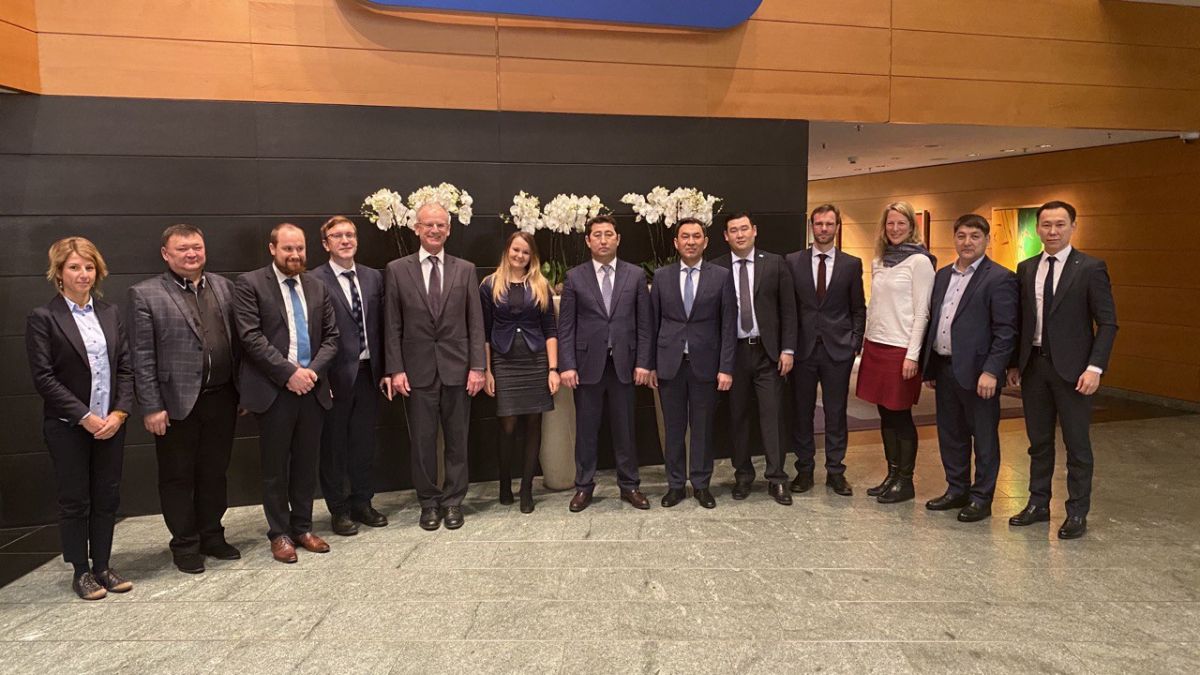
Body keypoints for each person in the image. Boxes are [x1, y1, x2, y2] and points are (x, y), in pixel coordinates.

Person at [128, 224, 240, 574]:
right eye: (183, 248)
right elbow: (142, 356)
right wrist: (151, 406)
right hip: (175, 404)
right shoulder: (145, 294)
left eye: (197, 247)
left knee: (214, 473)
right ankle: (185, 544)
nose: (192, 254)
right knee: (177, 477)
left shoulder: (224, 286)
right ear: (166, 254)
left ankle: (212, 535)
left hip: (222, 397)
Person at [26, 237, 134, 600]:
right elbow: (44, 378)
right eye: (74, 267)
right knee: (75, 500)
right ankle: (81, 571)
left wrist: (119, 413)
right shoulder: (44, 318)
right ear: (59, 273)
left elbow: (125, 368)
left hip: (111, 424)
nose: (83, 274)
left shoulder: (110, 313)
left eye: (89, 267)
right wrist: (84, 416)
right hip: (68, 427)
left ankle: (102, 565)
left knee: (107, 497)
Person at [1007, 201, 1117, 539]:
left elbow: (1108, 323)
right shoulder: (1026, 268)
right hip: (1034, 367)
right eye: (1046, 225)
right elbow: (1020, 320)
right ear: (1037, 228)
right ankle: (1038, 504)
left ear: (1072, 227)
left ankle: (1077, 512)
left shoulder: (1090, 268)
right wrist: (1014, 363)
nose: (1052, 231)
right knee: (1039, 443)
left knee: (1077, 445)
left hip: (1074, 372)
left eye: (1059, 224)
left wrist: (1095, 367)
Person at [234, 223, 339, 563]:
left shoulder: (317, 286)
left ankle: (302, 527)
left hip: (312, 388)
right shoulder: (250, 284)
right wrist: (289, 374)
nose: (295, 254)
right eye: (288, 248)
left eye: (300, 248)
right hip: (274, 391)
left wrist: (310, 373)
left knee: (307, 464)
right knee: (276, 467)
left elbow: (332, 338)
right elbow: (250, 337)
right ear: (272, 249)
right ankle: (279, 533)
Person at [384, 203, 486, 531]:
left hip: (458, 370)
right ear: (416, 228)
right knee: (422, 442)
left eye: (441, 225)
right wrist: (395, 369)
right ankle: (428, 502)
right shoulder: (397, 270)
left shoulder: (465, 269)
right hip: (416, 372)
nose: (434, 230)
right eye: (428, 224)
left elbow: (475, 323)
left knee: (458, 440)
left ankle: (453, 501)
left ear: (449, 230)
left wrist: (478, 367)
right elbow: (392, 324)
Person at [920, 214, 1018, 523]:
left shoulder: (999, 278)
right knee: (951, 434)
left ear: (987, 240)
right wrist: (931, 367)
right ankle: (956, 489)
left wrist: (992, 371)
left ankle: (981, 498)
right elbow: (936, 321)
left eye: (975, 236)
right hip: (945, 367)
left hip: (979, 374)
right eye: (961, 236)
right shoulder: (942, 276)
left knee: (984, 438)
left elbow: (1006, 330)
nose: (967, 242)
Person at [558, 215, 654, 512]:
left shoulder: (635, 275)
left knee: (625, 429)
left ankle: (630, 485)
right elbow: (566, 327)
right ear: (588, 241)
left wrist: (643, 362)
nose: (603, 239)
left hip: (625, 364)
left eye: (608, 234)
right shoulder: (575, 277)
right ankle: (584, 486)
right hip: (587, 365)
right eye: (597, 234)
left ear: (618, 239)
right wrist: (567, 364)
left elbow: (645, 324)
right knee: (587, 430)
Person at [650, 218, 737, 508]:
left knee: (702, 428)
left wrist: (726, 367)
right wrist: (650, 365)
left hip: (706, 365)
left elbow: (728, 325)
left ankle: (701, 485)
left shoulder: (721, 277)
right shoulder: (661, 277)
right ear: (676, 243)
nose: (691, 242)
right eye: (685, 237)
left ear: (705, 241)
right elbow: (651, 323)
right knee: (673, 429)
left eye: (696, 236)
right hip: (669, 365)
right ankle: (675, 485)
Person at [711, 212, 797, 505]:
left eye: (744, 229)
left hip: (767, 353)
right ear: (726, 236)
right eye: (733, 230)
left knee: (772, 416)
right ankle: (743, 476)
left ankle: (777, 478)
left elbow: (789, 309)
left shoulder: (775, 263)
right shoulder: (717, 268)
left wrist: (788, 349)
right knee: (738, 418)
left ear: (754, 231)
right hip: (733, 354)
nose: (740, 234)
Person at [312, 216, 388, 537]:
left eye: (350, 235)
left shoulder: (373, 277)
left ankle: (362, 502)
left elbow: (383, 326)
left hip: (369, 374)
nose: (345, 240)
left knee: (363, 443)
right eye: (337, 236)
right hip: (334, 378)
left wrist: (386, 370)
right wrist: (320, 377)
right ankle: (339, 509)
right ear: (325, 243)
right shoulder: (314, 280)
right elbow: (312, 333)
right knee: (334, 447)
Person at [856, 201, 935, 504]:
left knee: (900, 414)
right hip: (876, 344)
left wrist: (912, 355)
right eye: (890, 223)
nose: (895, 228)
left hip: (901, 348)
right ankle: (891, 475)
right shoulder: (880, 260)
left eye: (902, 223)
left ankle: (905, 480)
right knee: (884, 413)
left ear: (912, 226)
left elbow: (922, 312)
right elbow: (875, 304)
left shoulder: (920, 262)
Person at [785, 204, 866, 497]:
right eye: (818, 224)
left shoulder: (851, 264)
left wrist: (854, 343)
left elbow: (858, 308)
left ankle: (836, 471)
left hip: (838, 351)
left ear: (837, 227)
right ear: (812, 227)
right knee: (802, 413)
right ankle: (804, 470)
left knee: (836, 413)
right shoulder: (793, 261)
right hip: (803, 350)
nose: (823, 229)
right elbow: (788, 308)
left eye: (829, 224)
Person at [480, 231, 560, 514]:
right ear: (507, 250)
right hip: (504, 360)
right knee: (508, 425)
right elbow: (484, 332)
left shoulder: (541, 285)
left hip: (535, 360)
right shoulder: (489, 284)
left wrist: (553, 369)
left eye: (525, 252)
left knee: (534, 424)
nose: (520, 256)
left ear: (532, 256)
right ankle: (505, 483)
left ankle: (526, 489)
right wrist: (487, 370)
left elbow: (550, 330)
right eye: (516, 250)